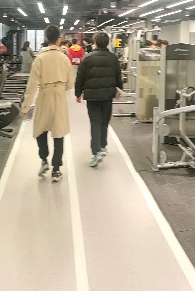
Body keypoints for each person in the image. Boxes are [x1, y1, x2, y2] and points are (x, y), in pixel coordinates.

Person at [21, 25, 75, 182]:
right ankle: (56, 170)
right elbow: (70, 84)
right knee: (59, 132)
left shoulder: (40, 58)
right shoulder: (64, 58)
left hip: (44, 95)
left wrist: (26, 106)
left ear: (46, 38)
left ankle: (44, 159)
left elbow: (32, 85)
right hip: (59, 96)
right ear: (59, 39)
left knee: (41, 129)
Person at [75, 32, 124, 167]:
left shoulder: (87, 58)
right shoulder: (113, 58)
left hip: (92, 96)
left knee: (95, 122)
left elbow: (80, 77)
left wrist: (78, 93)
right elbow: (118, 76)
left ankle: (96, 151)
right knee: (104, 121)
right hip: (108, 95)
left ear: (95, 42)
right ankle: (103, 146)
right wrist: (120, 89)